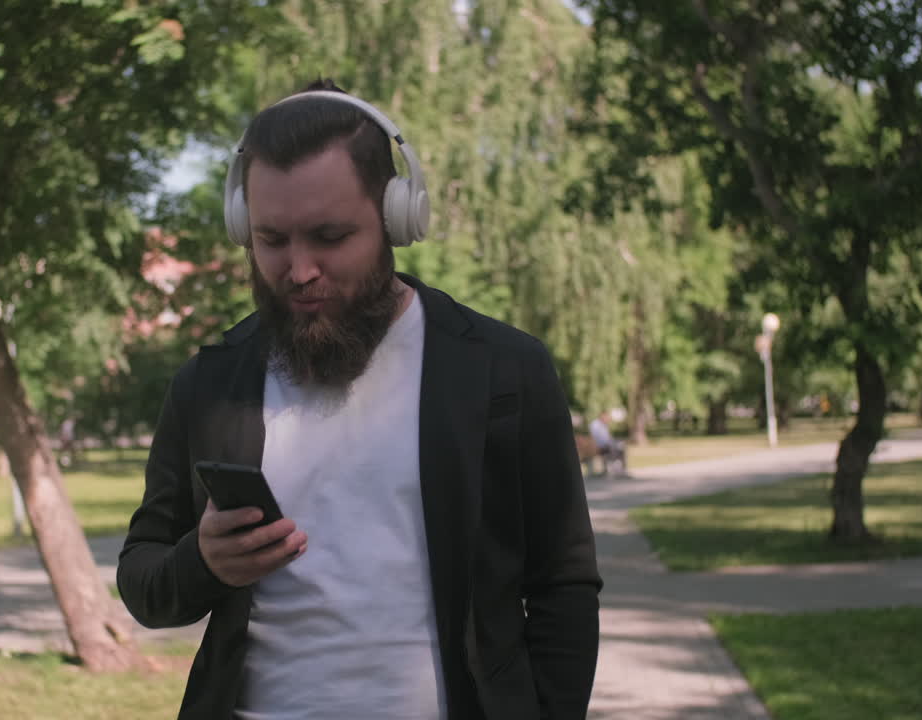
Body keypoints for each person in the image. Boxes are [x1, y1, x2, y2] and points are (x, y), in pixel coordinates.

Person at [117, 79, 601, 720]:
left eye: (330, 236)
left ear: (398, 217)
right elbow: (143, 581)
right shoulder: (209, 385)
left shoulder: (505, 371)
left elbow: (562, 586)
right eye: (272, 240)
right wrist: (201, 561)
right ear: (243, 228)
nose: (299, 269)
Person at [587, 411, 627, 475]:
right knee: (615, 448)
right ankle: (615, 470)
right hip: (599, 446)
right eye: (607, 418)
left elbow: (608, 438)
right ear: (602, 416)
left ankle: (620, 470)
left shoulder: (603, 425)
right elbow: (595, 438)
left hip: (606, 445)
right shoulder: (595, 424)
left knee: (621, 447)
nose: (608, 420)